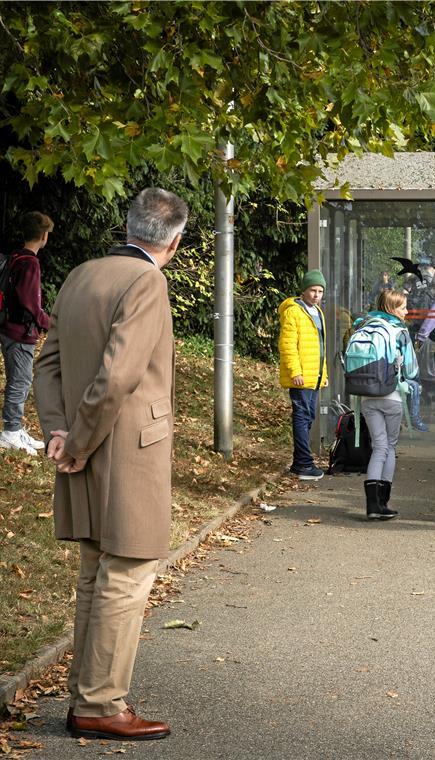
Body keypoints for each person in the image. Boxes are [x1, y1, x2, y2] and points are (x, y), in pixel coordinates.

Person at [33, 187, 188, 741]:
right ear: (173, 240)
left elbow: (46, 362)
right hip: (128, 450)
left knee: (95, 575)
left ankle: (87, 697)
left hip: (86, 442)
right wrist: (76, 440)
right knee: (126, 573)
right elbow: (120, 375)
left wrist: (60, 429)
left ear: (131, 227)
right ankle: (99, 704)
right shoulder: (148, 280)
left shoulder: (81, 273)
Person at [356, 289, 421, 520]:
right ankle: (381, 503)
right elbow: (412, 369)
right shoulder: (399, 331)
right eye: (403, 307)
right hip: (391, 396)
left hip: (366, 396)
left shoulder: (363, 325)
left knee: (378, 446)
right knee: (388, 447)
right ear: (392, 309)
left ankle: (373, 505)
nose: (406, 311)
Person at [1, 211, 54, 455]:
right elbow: (29, 301)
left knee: (18, 378)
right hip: (20, 332)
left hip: (8, 326)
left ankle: (15, 427)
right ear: (43, 236)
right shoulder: (30, 262)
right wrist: (47, 322)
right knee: (20, 380)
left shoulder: (15, 256)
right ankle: (11, 432)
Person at [278, 270, 329, 481]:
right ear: (304, 290)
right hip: (300, 376)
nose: (316, 295)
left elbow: (320, 347)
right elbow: (287, 345)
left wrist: (322, 374)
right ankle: (303, 464)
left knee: (308, 417)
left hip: (314, 376)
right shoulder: (294, 311)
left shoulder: (318, 312)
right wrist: (295, 372)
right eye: (313, 290)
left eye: (320, 291)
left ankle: (300, 461)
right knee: (301, 416)